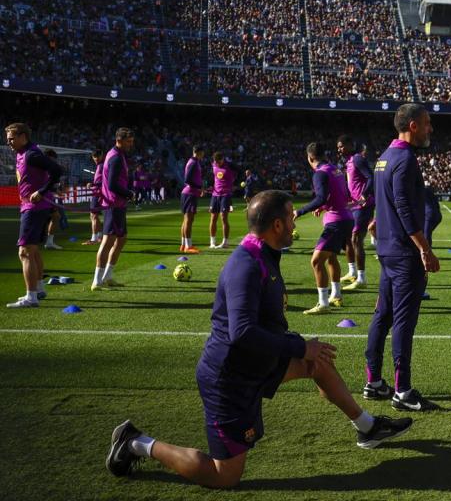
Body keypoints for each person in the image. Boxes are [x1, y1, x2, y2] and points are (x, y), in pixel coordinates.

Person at [105, 190, 413, 488]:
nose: (295, 223)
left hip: (258, 362)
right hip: (230, 379)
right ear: (277, 225)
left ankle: (368, 428)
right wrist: (299, 346)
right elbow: (242, 332)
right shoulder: (246, 265)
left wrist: (302, 348)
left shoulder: (264, 252)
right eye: (291, 218)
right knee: (224, 476)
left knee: (316, 364)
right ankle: (135, 442)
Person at [363, 103, 440, 412]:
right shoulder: (405, 159)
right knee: (403, 322)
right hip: (404, 254)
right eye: (427, 123)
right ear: (412, 127)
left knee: (382, 315)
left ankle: (373, 382)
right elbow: (406, 210)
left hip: (386, 250)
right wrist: (425, 248)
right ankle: (403, 391)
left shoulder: (384, 158)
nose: (430, 129)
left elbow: (387, 204)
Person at [5, 123, 63, 308]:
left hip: (34, 207)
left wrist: (41, 191)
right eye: (7, 139)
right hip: (33, 206)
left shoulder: (32, 154)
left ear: (23, 137)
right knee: (33, 249)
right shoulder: (23, 153)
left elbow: (57, 170)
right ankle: (38, 289)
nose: (9, 143)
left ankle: (31, 297)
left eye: (12, 138)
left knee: (25, 252)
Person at [294, 142, 354, 315]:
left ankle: (323, 303)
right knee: (331, 257)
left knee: (316, 261)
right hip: (346, 218)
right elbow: (342, 195)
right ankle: (336, 295)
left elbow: (320, 198)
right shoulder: (335, 170)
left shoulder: (320, 174)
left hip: (336, 222)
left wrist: (300, 211)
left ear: (310, 157)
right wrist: (324, 206)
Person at [92, 127, 135, 291]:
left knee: (121, 239)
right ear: (119, 140)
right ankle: (97, 281)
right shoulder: (116, 157)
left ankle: (108, 276)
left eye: (132, 141)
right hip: (113, 204)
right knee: (107, 241)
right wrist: (129, 193)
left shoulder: (118, 155)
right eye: (128, 141)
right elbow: (112, 184)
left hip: (117, 204)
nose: (131, 145)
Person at [339, 136, 373, 290]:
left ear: (350, 145)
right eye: (338, 147)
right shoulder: (349, 162)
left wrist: (364, 194)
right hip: (353, 205)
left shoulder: (358, 159)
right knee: (348, 238)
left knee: (356, 239)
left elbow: (370, 177)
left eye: (341, 146)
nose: (339, 149)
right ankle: (352, 272)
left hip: (363, 206)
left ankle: (361, 278)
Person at [209, 152, 242, 249]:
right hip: (215, 194)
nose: (217, 164)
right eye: (216, 162)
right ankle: (212, 242)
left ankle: (225, 242)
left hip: (226, 194)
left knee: (223, 217)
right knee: (213, 218)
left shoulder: (230, 166)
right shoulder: (213, 164)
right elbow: (214, 176)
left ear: (223, 159)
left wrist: (236, 184)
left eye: (219, 162)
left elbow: (240, 172)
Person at [180, 146, 205, 254]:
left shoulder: (194, 162)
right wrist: (199, 188)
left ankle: (183, 245)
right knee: (188, 220)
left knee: (186, 220)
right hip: (190, 194)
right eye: (202, 153)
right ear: (199, 152)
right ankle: (188, 246)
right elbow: (187, 179)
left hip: (189, 193)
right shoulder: (194, 162)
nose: (203, 155)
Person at [42, 148, 66, 250]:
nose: (54, 161)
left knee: (55, 216)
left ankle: (49, 241)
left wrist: (56, 190)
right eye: (53, 159)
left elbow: (49, 184)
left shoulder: (45, 167)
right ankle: (47, 241)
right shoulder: (45, 167)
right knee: (50, 217)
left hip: (46, 196)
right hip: (42, 196)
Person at [422, 182, 442, 301]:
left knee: (424, 249)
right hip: (435, 215)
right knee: (424, 244)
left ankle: (420, 289)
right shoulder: (426, 188)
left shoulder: (415, 188)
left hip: (430, 216)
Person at [85, 149, 104, 245]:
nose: (96, 158)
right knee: (94, 215)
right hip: (97, 192)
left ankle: (94, 238)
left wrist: (92, 184)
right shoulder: (100, 166)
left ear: (102, 155)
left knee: (93, 215)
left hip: (98, 193)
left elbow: (105, 181)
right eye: (94, 156)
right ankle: (100, 236)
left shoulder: (102, 166)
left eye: (97, 156)